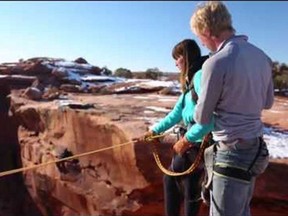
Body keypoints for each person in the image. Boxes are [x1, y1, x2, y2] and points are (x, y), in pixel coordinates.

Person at [190, 1, 274, 216]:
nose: (201, 42)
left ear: (207, 31)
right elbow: (267, 103)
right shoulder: (262, 57)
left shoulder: (215, 62)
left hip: (231, 152)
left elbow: (202, 117)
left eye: (200, 36)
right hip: (254, 149)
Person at [141, 39, 214, 216]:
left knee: (189, 192)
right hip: (188, 145)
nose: (175, 63)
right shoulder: (190, 82)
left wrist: (187, 140)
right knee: (172, 182)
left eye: (177, 58)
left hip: (195, 147)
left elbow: (210, 118)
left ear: (186, 57)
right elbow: (176, 114)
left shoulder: (199, 77)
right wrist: (155, 131)